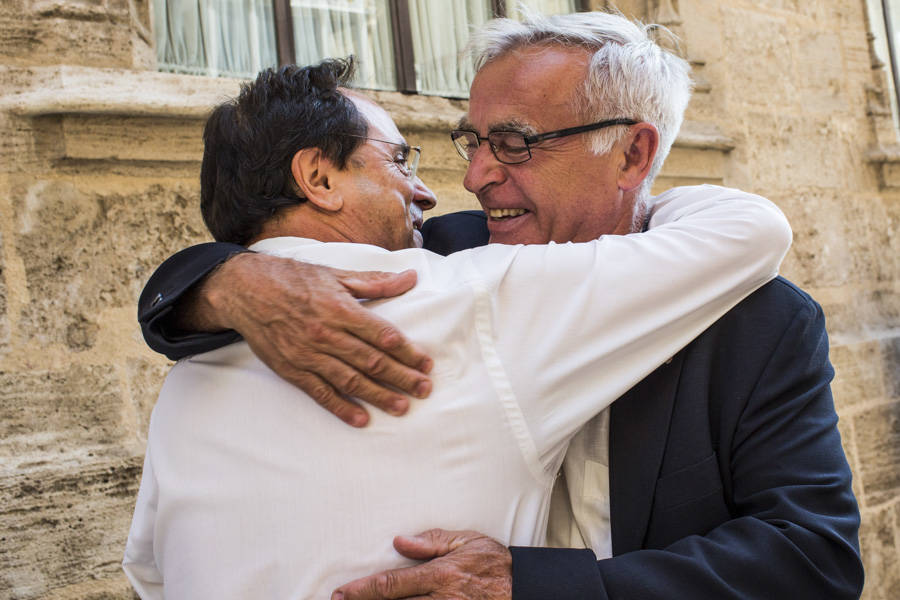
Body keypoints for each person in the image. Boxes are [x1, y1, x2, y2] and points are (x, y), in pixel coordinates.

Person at [135, 11, 863, 600]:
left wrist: (545, 587)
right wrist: (227, 283)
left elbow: (813, 557)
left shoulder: (760, 322)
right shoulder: (446, 261)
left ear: (633, 156)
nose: (476, 177)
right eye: (471, 140)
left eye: (515, 144)